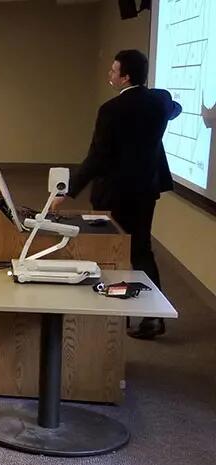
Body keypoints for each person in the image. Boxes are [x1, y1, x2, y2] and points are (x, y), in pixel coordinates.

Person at [53, 49, 176, 340]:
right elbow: (174, 106)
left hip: (114, 194)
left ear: (126, 76)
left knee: (111, 253)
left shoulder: (110, 110)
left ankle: (116, 315)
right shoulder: (161, 103)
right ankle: (153, 317)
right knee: (141, 249)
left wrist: (68, 191)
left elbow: (97, 157)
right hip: (146, 190)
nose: (109, 75)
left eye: (113, 71)